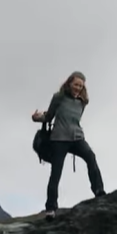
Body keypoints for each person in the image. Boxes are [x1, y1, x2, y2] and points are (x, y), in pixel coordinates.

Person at [31, 71, 105, 219]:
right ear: (69, 83)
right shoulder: (58, 97)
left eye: (80, 86)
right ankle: (51, 208)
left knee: (91, 157)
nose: (78, 88)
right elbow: (49, 116)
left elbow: (75, 120)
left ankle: (99, 191)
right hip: (59, 139)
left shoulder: (82, 102)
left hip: (77, 138)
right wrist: (36, 118)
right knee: (56, 172)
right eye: (76, 84)